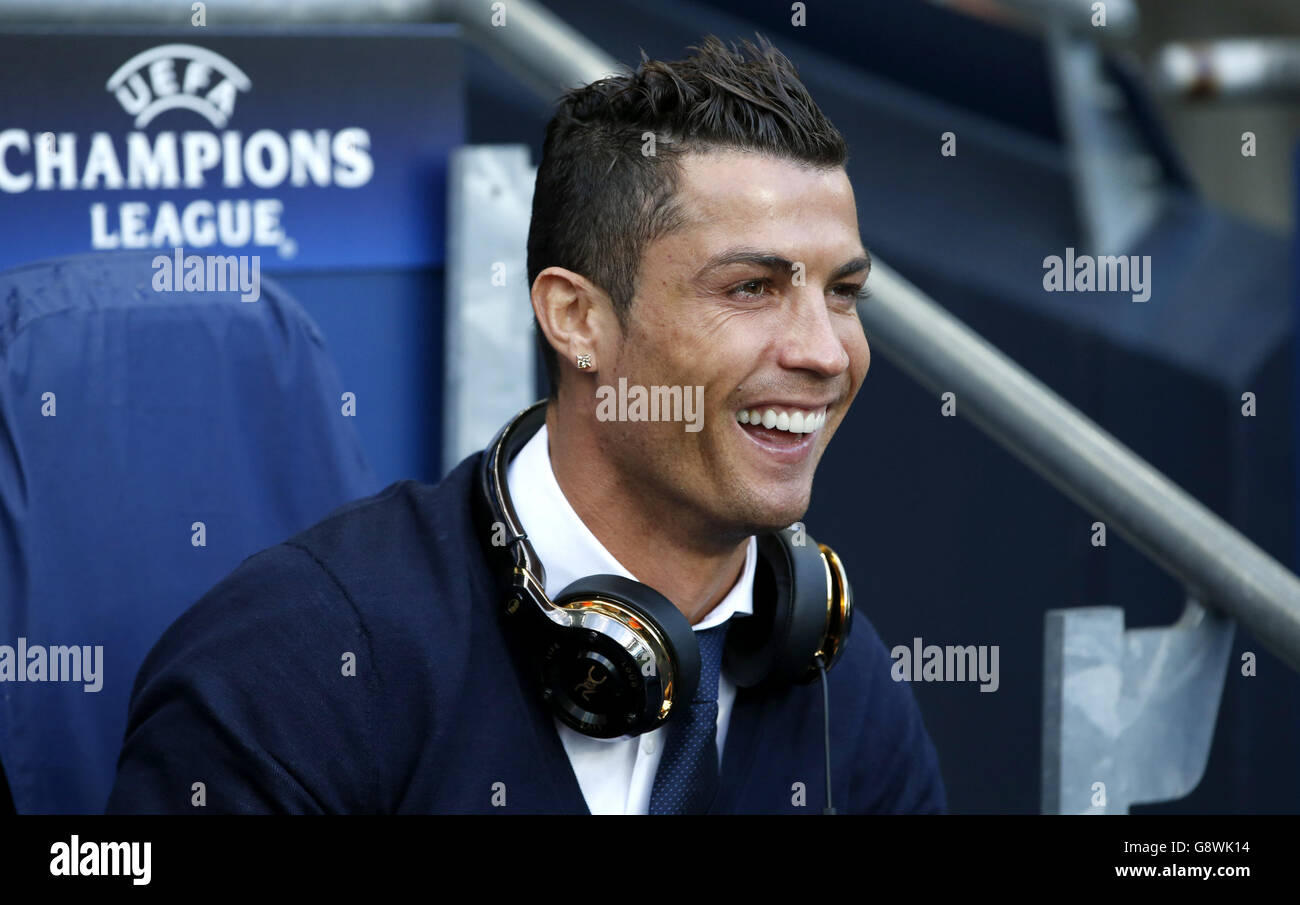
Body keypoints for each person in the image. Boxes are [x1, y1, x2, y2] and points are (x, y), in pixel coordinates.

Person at [107, 33, 946, 815]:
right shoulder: (302, 659)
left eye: (842, 292)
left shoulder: (845, 685)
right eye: (750, 288)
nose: (826, 351)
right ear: (577, 319)